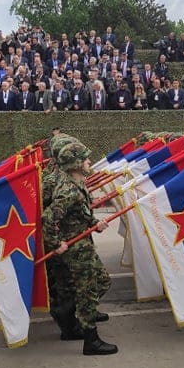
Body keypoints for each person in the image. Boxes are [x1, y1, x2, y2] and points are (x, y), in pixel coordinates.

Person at [42, 140, 117, 356]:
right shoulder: (68, 190)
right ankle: (91, 340)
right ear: (75, 164)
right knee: (89, 290)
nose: (89, 162)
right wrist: (56, 243)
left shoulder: (75, 183)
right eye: (85, 159)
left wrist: (95, 223)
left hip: (80, 244)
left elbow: (79, 214)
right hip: (76, 249)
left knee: (84, 286)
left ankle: (66, 318)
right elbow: (48, 218)